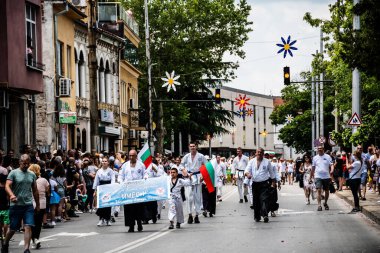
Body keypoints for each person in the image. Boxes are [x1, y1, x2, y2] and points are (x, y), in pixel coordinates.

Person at [2, 154, 40, 253]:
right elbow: (7, 186)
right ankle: (5, 243)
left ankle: (26, 249)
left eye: (28, 163)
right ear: (20, 162)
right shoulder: (13, 173)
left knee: (28, 226)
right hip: (16, 205)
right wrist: (11, 195)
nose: (26, 165)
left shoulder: (32, 174)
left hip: (28, 205)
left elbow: (35, 190)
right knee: (13, 228)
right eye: (24, 163)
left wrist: (38, 204)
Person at [244, 148, 276, 223]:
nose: (259, 153)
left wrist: (274, 182)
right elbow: (246, 170)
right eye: (258, 152)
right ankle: (257, 216)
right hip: (255, 183)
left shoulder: (267, 162)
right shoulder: (252, 161)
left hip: (264, 183)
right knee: (256, 201)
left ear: (263, 153)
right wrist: (248, 174)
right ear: (256, 153)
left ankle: (265, 215)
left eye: (261, 152)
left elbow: (271, 173)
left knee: (264, 199)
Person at [180, 142, 207, 224]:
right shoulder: (186, 156)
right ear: (189, 147)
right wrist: (183, 170)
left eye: (193, 146)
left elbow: (206, 166)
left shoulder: (201, 156)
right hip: (188, 177)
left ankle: (197, 215)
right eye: (191, 146)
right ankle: (190, 214)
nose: (192, 147)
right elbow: (181, 165)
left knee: (197, 197)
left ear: (196, 147)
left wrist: (203, 175)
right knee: (188, 197)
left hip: (198, 177)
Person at [120, 150, 146, 232]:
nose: (131, 157)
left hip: (138, 189)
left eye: (133, 155)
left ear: (136, 156)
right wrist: (121, 181)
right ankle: (131, 226)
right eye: (130, 156)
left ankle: (139, 224)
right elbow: (121, 175)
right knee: (129, 208)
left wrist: (145, 177)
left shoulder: (141, 165)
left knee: (138, 207)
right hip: (128, 189)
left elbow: (145, 173)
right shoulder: (125, 165)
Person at [28, 164, 49, 250]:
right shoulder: (44, 180)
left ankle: (34, 239)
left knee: (31, 223)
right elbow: (48, 190)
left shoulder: (28, 180)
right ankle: (36, 239)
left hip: (30, 203)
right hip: (42, 203)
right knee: (38, 223)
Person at [93, 156, 115, 226]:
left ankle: (108, 219)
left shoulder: (111, 171)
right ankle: (101, 219)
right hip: (101, 187)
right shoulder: (99, 171)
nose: (104, 162)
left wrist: (112, 187)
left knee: (108, 204)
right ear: (101, 162)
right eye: (103, 161)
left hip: (108, 187)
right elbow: (96, 181)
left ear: (108, 163)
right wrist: (95, 190)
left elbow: (113, 179)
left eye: (106, 161)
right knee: (101, 204)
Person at [311, 146, 334, 212]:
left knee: (327, 191)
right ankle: (319, 205)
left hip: (326, 176)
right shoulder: (315, 158)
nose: (319, 149)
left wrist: (332, 170)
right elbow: (313, 168)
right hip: (318, 176)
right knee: (319, 190)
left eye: (321, 148)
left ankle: (325, 203)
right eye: (318, 149)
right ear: (317, 150)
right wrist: (311, 176)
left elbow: (331, 165)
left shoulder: (328, 156)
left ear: (323, 149)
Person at [0, 166, 9, 243]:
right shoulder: (6, 189)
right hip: (5, 207)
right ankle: (5, 235)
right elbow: (8, 197)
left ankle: (0, 234)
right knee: (6, 222)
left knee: (0, 222)